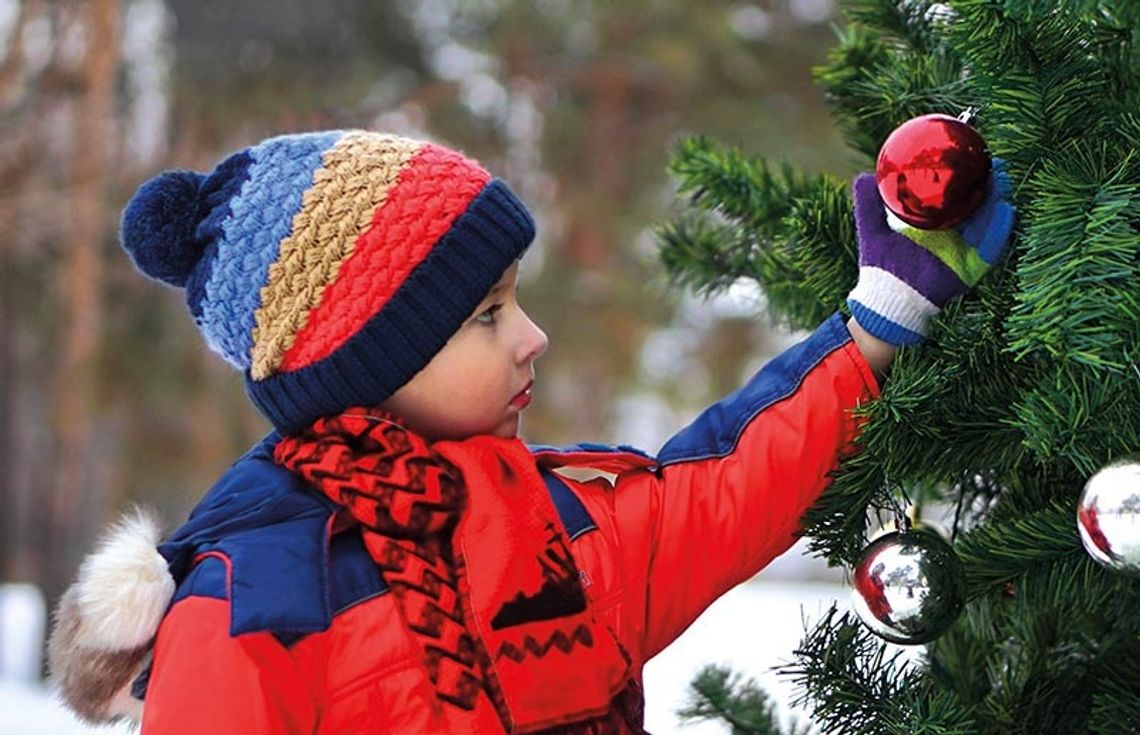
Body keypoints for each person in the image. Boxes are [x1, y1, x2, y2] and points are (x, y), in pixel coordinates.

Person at [47, 130, 1014, 734]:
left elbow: (721, 488)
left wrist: (878, 320)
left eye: (517, 301)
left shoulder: (552, 520)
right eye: (486, 315)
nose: (533, 337)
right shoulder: (253, 603)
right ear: (367, 362)